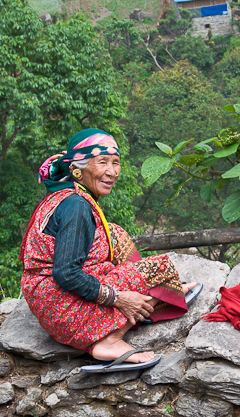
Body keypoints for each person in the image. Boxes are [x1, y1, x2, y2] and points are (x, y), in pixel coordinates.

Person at [20, 129, 198, 369]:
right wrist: (119, 298)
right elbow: (66, 274)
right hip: (62, 307)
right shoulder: (75, 207)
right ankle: (109, 339)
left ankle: (146, 299)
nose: (112, 172)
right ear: (77, 169)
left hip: (51, 298)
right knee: (158, 269)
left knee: (113, 233)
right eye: (102, 162)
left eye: (116, 163)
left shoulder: (69, 195)